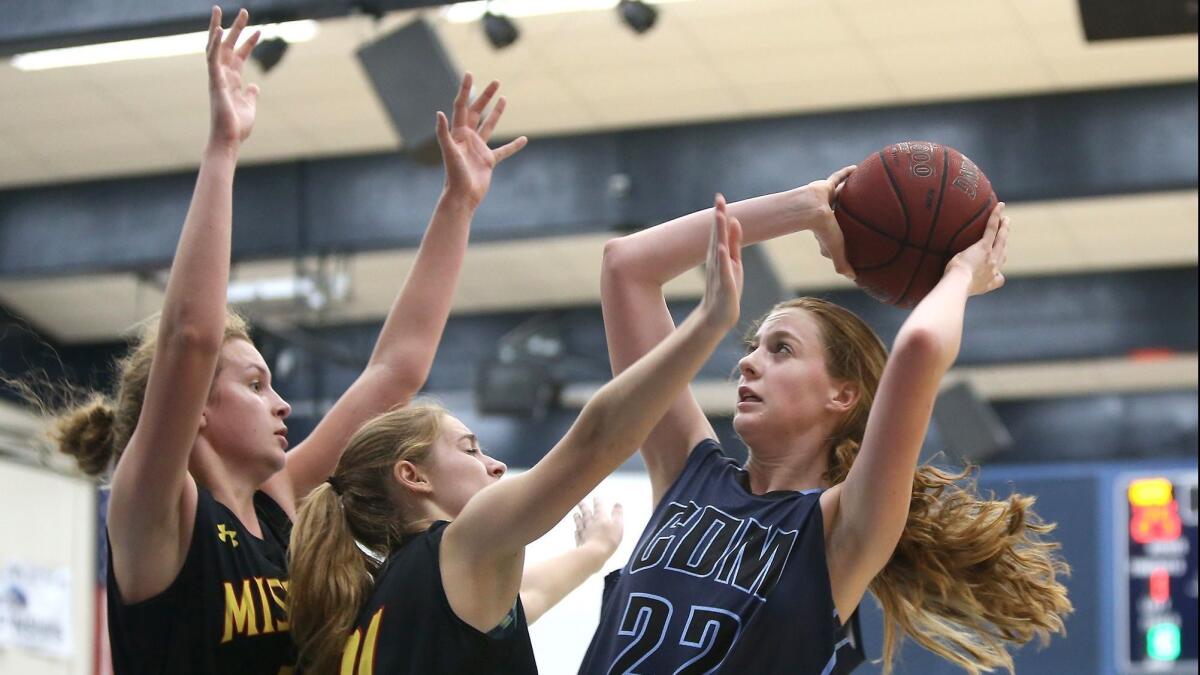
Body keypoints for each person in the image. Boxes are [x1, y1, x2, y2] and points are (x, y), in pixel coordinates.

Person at [36, 7, 525, 674]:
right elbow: (190, 335)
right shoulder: (156, 508)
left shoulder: (281, 504)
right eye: (256, 384)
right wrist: (223, 148)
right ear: (196, 408)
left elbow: (395, 369)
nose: (283, 404)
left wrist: (457, 206)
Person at [581, 175, 1072, 674]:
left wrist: (963, 275)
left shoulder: (842, 528)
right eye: (753, 348)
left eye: (781, 350)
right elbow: (626, 266)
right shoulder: (689, 472)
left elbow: (920, 346)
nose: (749, 363)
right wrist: (809, 207)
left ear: (843, 394)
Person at [286, 194, 746, 674]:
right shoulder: (460, 547)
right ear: (412, 475)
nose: (496, 465)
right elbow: (595, 440)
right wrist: (704, 326)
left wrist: (591, 553)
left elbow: (530, 596)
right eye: (470, 448)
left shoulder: (381, 599)